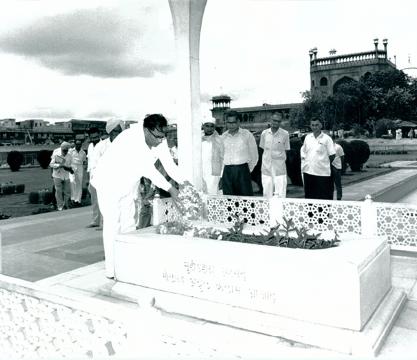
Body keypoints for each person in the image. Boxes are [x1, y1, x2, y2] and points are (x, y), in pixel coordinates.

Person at [91, 114, 188, 279]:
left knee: (129, 223)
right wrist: (171, 189)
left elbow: (169, 164)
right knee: (113, 225)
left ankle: (127, 262)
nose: (160, 141)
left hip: (128, 183)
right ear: (146, 130)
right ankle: (112, 270)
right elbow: (149, 170)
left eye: (162, 136)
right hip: (108, 183)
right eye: (157, 137)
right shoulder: (130, 139)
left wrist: (186, 183)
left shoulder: (159, 139)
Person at [220, 111, 258, 196]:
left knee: (245, 201)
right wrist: (223, 173)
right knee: (229, 201)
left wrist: (247, 170)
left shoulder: (247, 135)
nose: (231, 125)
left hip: (242, 171)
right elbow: (221, 157)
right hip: (227, 172)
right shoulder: (223, 137)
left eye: (233, 122)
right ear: (226, 123)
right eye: (229, 123)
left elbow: (254, 155)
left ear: (238, 122)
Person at [300, 118, 335, 200]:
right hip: (308, 173)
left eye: (316, 125)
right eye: (312, 125)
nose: (314, 127)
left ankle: (323, 213)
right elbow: (304, 152)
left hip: (322, 174)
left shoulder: (327, 139)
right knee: (309, 198)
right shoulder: (307, 137)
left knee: (323, 198)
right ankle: (310, 213)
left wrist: (322, 163)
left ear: (321, 125)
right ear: (310, 126)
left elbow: (332, 155)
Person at [259, 113, 290, 198]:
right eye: (274, 120)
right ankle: (268, 211)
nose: (276, 123)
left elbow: (286, 150)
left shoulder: (285, 134)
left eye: (278, 121)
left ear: (280, 122)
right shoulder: (264, 133)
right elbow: (263, 150)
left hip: (280, 169)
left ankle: (280, 212)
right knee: (266, 195)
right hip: (266, 169)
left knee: (281, 195)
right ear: (270, 120)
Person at [201, 116, 223, 195]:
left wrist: (222, 176)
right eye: (207, 126)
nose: (209, 129)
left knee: (212, 195)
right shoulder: (197, 139)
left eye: (212, 126)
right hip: (200, 172)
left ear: (214, 127)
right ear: (203, 126)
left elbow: (223, 159)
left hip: (213, 174)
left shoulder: (219, 140)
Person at [49, 141, 74, 211]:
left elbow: (72, 165)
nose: (65, 152)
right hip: (57, 175)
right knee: (58, 191)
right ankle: (60, 206)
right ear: (61, 148)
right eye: (64, 150)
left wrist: (69, 168)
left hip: (66, 175)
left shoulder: (69, 155)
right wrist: (59, 165)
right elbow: (51, 164)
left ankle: (66, 205)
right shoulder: (56, 153)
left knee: (67, 191)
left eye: (66, 150)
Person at [86, 127, 103, 228]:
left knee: (103, 200)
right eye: (92, 137)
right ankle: (95, 221)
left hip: (102, 176)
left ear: (99, 135)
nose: (94, 139)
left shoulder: (104, 145)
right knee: (94, 200)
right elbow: (89, 163)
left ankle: (104, 223)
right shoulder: (90, 146)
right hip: (92, 176)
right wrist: (89, 179)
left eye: (96, 137)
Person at [69, 139, 86, 206]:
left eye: (79, 144)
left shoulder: (83, 152)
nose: (78, 145)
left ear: (81, 145)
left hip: (80, 167)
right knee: (72, 181)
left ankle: (78, 200)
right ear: (75, 144)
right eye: (77, 144)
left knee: (79, 183)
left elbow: (84, 161)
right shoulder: (71, 151)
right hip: (72, 166)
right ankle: (73, 199)